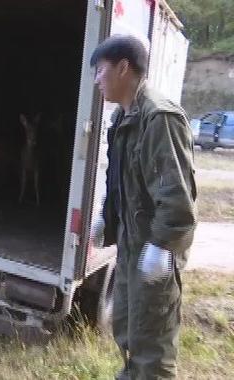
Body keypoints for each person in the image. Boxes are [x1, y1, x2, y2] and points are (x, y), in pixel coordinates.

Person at [90, 35, 197, 379]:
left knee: (152, 346)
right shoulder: (124, 118)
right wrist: (106, 218)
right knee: (127, 329)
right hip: (130, 247)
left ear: (123, 68)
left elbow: (177, 195)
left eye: (101, 71)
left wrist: (162, 247)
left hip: (154, 253)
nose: (96, 80)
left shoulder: (159, 118)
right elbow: (123, 182)